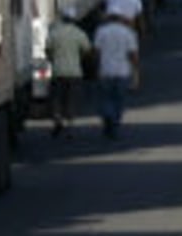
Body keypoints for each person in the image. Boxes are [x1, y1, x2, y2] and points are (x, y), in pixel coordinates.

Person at [43, 7, 93, 137]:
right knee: (71, 100)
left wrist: (53, 59)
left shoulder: (54, 33)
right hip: (74, 72)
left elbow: (47, 50)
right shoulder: (79, 33)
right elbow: (87, 50)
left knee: (57, 99)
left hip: (58, 71)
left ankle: (57, 119)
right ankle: (70, 127)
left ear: (63, 18)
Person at [91, 10, 141, 138]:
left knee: (106, 98)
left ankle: (108, 116)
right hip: (122, 71)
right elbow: (133, 55)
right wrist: (136, 72)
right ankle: (115, 122)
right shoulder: (128, 33)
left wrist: (96, 67)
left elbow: (96, 52)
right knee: (119, 99)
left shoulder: (101, 31)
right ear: (121, 18)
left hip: (105, 70)